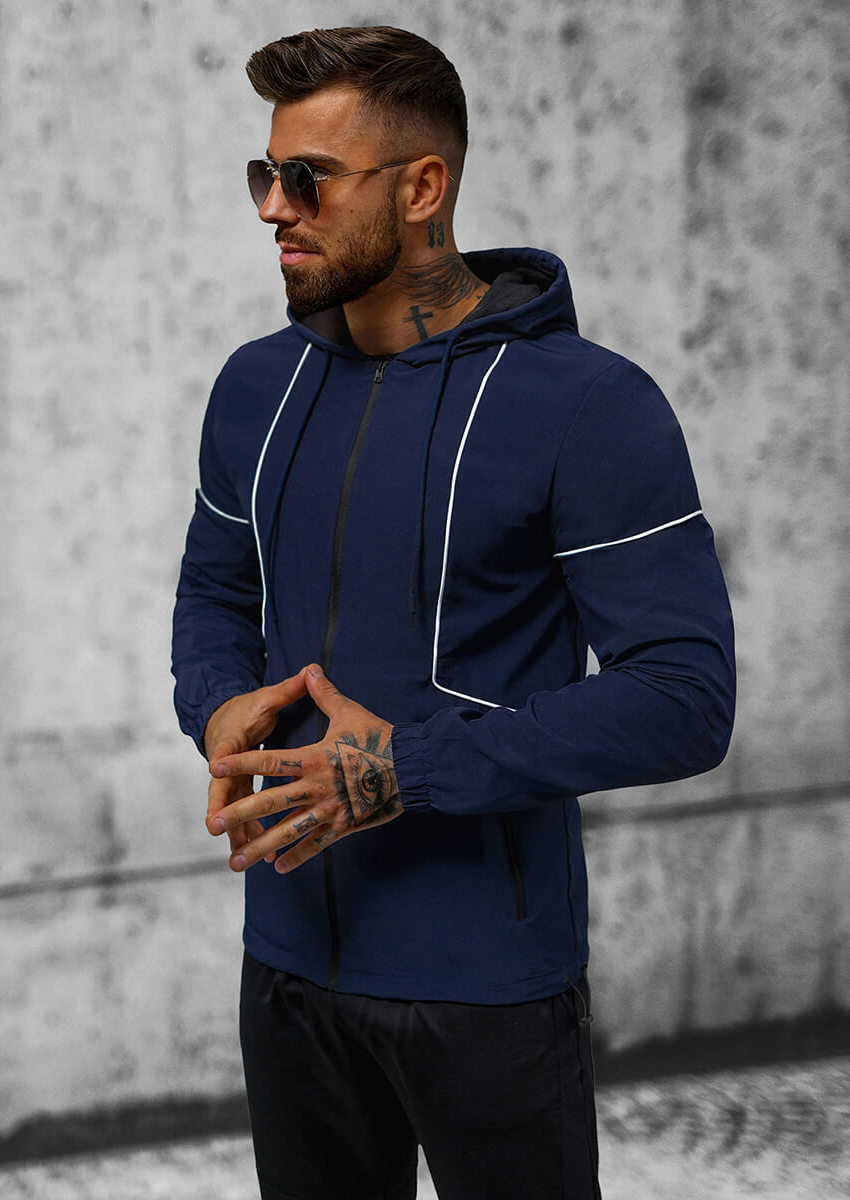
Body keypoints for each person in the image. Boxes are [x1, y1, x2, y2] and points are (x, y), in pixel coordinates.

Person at [171, 25, 736, 1200]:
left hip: (488, 983)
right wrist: (218, 704)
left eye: (309, 178)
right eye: (264, 173)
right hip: (287, 964)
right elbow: (217, 591)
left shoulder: (589, 406)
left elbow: (683, 700)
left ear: (423, 187)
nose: (273, 207)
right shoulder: (256, 386)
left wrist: (399, 774)